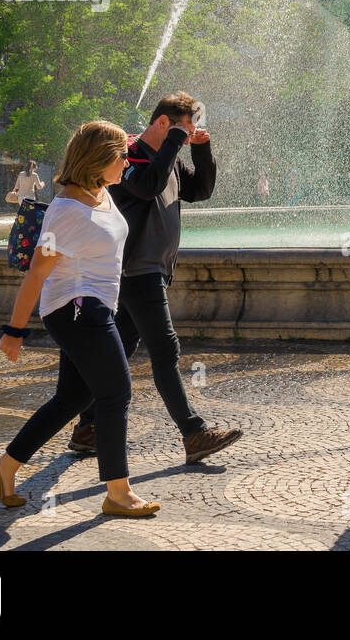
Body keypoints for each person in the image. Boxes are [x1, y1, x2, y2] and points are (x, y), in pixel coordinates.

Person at [0, 120, 159, 517]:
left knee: (71, 398)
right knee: (116, 393)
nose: (128, 162)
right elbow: (36, 274)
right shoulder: (66, 210)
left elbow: (129, 151)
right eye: (122, 157)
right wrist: (14, 332)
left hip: (96, 307)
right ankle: (118, 493)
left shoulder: (100, 193)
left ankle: (5, 467)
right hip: (77, 310)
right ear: (100, 161)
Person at [70, 92, 242, 465]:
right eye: (183, 127)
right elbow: (145, 187)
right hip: (136, 269)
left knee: (119, 353)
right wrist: (178, 141)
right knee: (165, 352)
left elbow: (201, 191)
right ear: (163, 122)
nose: (187, 134)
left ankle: (87, 428)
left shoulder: (170, 160)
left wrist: (201, 149)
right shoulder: (129, 153)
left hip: (154, 268)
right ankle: (194, 433)